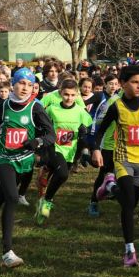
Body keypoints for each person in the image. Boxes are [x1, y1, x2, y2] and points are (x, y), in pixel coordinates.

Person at [0, 68, 55, 268]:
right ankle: (7, 252)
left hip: (23, 160)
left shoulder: (36, 107)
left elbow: (51, 135)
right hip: (3, 157)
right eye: (21, 83)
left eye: (29, 85)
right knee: (12, 197)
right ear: (13, 85)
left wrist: (37, 142)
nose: (25, 88)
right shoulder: (5, 105)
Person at [91, 65, 139, 267]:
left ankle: (110, 187)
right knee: (128, 203)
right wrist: (96, 149)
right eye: (135, 82)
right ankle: (129, 250)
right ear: (123, 84)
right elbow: (100, 130)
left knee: (132, 201)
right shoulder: (116, 107)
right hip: (123, 159)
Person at [35, 79, 93, 225]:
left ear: (77, 95)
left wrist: (84, 131)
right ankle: (47, 201)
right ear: (60, 93)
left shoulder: (81, 112)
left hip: (70, 151)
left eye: (72, 95)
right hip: (54, 147)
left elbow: (89, 128)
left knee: (61, 175)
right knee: (62, 173)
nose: (69, 98)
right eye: (66, 94)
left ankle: (46, 184)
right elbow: (42, 126)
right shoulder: (52, 109)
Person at [86, 74, 121, 217]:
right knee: (104, 173)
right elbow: (100, 123)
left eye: (116, 84)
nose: (114, 86)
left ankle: (113, 190)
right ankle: (93, 202)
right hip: (109, 144)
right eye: (111, 83)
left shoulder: (138, 99)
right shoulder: (111, 101)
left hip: (127, 145)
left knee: (121, 174)